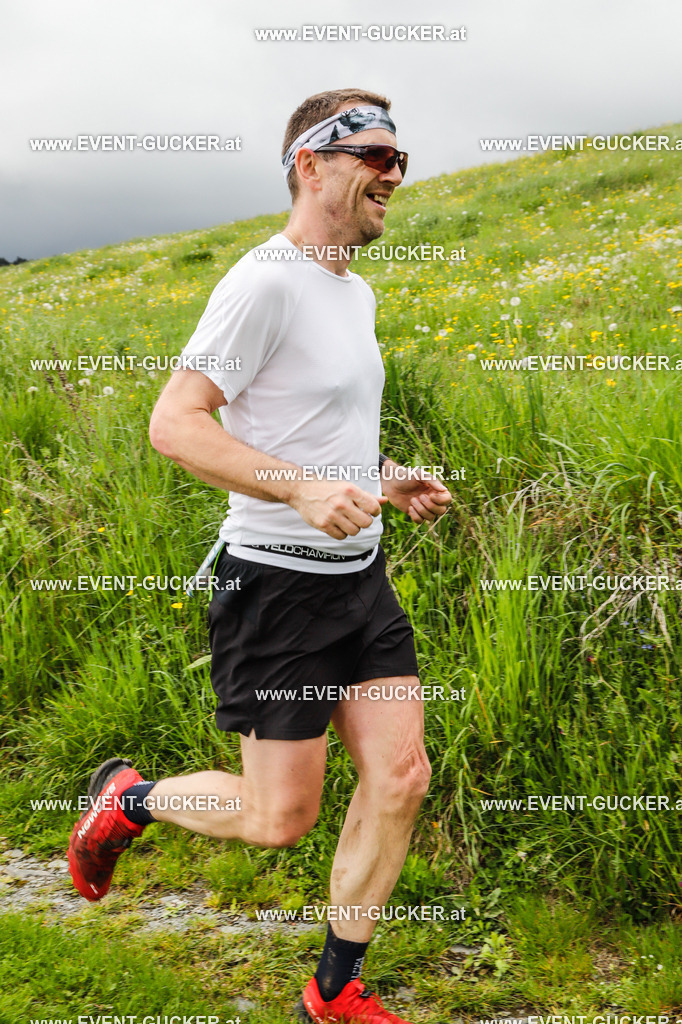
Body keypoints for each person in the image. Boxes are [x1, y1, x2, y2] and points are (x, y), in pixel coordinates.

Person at [68, 88, 452, 1023]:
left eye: (400, 160)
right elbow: (175, 424)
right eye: (374, 157)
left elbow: (314, 432)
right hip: (276, 586)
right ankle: (130, 800)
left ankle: (335, 987)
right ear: (309, 165)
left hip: (360, 580)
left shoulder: (353, 291)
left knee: (401, 777)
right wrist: (302, 491)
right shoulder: (264, 282)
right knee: (281, 820)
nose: (394, 176)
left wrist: (384, 479)